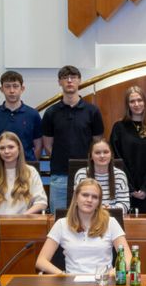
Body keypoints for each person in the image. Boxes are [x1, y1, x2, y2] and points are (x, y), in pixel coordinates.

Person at [35, 178, 130, 276]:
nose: (89, 200)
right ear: (76, 197)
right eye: (85, 195)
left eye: (94, 197)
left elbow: (128, 259)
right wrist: (62, 275)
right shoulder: (61, 224)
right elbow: (41, 261)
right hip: (72, 284)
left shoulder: (111, 223)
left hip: (103, 283)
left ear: (99, 202)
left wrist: (111, 274)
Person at [42, 65, 104, 213]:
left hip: (87, 175)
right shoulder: (51, 112)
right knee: (58, 218)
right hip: (59, 175)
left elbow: (97, 143)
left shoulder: (92, 111)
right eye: (65, 78)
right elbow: (48, 146)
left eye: (73, 78)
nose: (69, 81)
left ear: (79, 81)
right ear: (59, 82)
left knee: (89, 217)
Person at [110, 85, 146, 214]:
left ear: (145, 103)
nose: (136, 104)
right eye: (132, 101)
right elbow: (116, 160)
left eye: (139, 100)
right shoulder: (119, 128)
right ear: (127, 105)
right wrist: (130, 188)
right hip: (124, 193)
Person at [0, 132, 48, 215]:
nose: (6, 151)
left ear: (19, 148)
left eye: (11, 147)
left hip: (22, 223)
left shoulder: (31, 171)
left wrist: (23, 217)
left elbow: (42, 203)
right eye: (2, 148)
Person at [0, 70, 42, 162]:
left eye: (15, 86)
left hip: (27, 167)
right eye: (7, 86)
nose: (12, 91)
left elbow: (38, 145)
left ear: (22, 89)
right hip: (1, 168)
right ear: (1, 89)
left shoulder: (33, 114)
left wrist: (31, 164)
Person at [73, 138, 131, 212]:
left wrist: (108, 209)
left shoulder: (120, 175)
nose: (102, 156)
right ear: (91, 156)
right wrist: (98, 209)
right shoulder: (81, 175)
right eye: (97, 153)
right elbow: (77, 202)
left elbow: (125, 204)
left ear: (112, 155)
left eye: (106, 152)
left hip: (111, 218)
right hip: (87, 217)